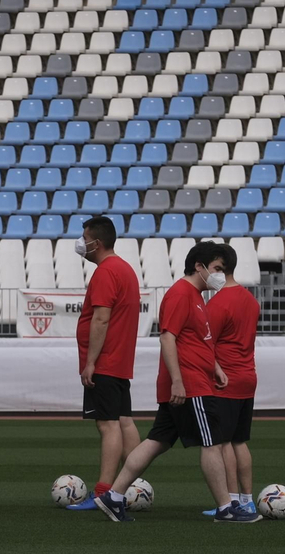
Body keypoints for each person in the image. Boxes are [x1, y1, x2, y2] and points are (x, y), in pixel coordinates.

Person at [95, 241, 259, 523]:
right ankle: (225, 507)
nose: (220, 275)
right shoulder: (181, 294)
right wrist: (178, 382)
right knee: (212, 442)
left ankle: (114, 495)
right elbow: (167, 337)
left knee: (157, 441)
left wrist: (215, 367)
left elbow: (194, 340)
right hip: (191, 385)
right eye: (217, 268)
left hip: (194, 380)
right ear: (200, 266)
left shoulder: (194, 295)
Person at [66, 215, 142, 512]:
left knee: (107, 425)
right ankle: (131, 485)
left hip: (106, 362)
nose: (81, 243)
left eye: (84, 238)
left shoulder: (106, 272)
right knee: (123, 421)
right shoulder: (125, 270)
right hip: (120, 361)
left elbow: (101, 318)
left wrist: (90, 362)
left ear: (96, 242)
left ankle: (104, 492)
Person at [205, 242, 260, 517]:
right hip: (248, 376)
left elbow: (206, 344)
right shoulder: (250, 300)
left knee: (222, 443)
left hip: (224, 379)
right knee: (240, 441)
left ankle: (231, 501)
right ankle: (247, 498)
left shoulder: (217, 304)